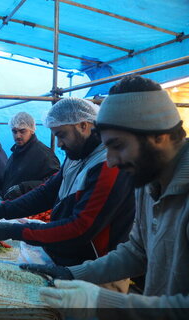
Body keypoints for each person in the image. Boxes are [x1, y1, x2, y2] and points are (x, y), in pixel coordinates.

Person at [20, 76, 189, 319]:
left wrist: (103, 301)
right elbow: (137, 252)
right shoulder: (147, 181)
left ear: (158, 136)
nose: (110, 160)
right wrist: (72, 273)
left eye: (118, 145)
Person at [0, 98, 135, 268]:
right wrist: (1, 210)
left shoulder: (108, 164)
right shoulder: (77, 155)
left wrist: (14, 231)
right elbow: (47, 192)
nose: (59, 144)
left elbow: (80, 228)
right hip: (68, 257)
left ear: (83, 125)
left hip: (95, 267)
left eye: (61, 135)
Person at [0, 111, 60, 200]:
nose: (17, 136)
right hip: (10, 204)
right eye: (14, 131)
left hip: (29, 208)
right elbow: (8, 179)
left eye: (22, 131)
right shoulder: (17, 151)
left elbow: (55, 182)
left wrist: (23, 188)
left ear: (32, 130)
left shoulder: (44, 154)